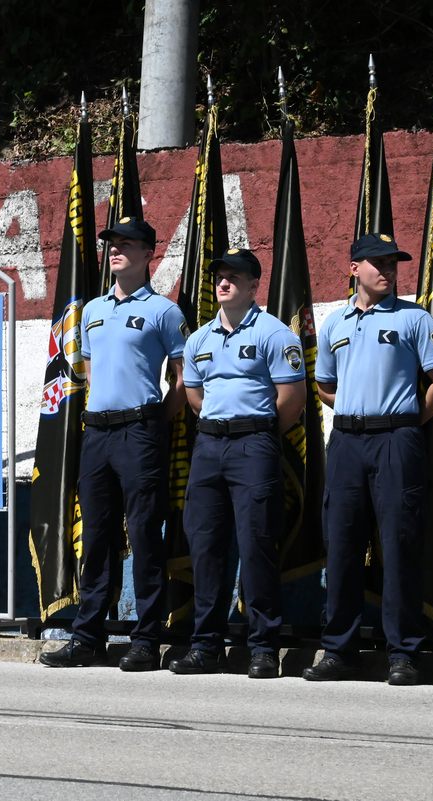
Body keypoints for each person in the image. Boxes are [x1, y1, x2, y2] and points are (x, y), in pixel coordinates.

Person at [303, 233, 433, 685]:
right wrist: (356, 410)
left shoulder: (415, 319)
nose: (387, 270)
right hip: (348, 443)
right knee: (343, 545)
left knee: (398, 544)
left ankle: (403, 652)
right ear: (355, 269)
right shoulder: (335, 323)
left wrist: (406, 418)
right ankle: (340, 650)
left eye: (392, 263)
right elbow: (325, 385)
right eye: (377, 263)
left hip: (397, 442)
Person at [39, 216, 186, 672]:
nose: (115, 250)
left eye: (126, 244)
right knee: (98, 535)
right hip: (97, 432)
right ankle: (88, 636)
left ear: (148, 254)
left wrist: (156, 421)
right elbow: (84, 368)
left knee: (144, 532)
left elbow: (181, 379)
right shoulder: (93, 311)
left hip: (140, 430)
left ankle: (146, 637)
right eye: (111, 244)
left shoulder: (165, 311)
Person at [171, 248, 306, 680]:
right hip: (209, 447)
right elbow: (194, 396)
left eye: (234, 276)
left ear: (253, 286)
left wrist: (257, 433)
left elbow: (292, 399)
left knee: (257, 544)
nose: (224, 282)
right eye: (219, 276)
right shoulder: (199, 340)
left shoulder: (275, 333)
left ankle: (263, 646)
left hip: (255, 446)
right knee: (207, 548)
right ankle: (205, 646)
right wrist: (220, 429)